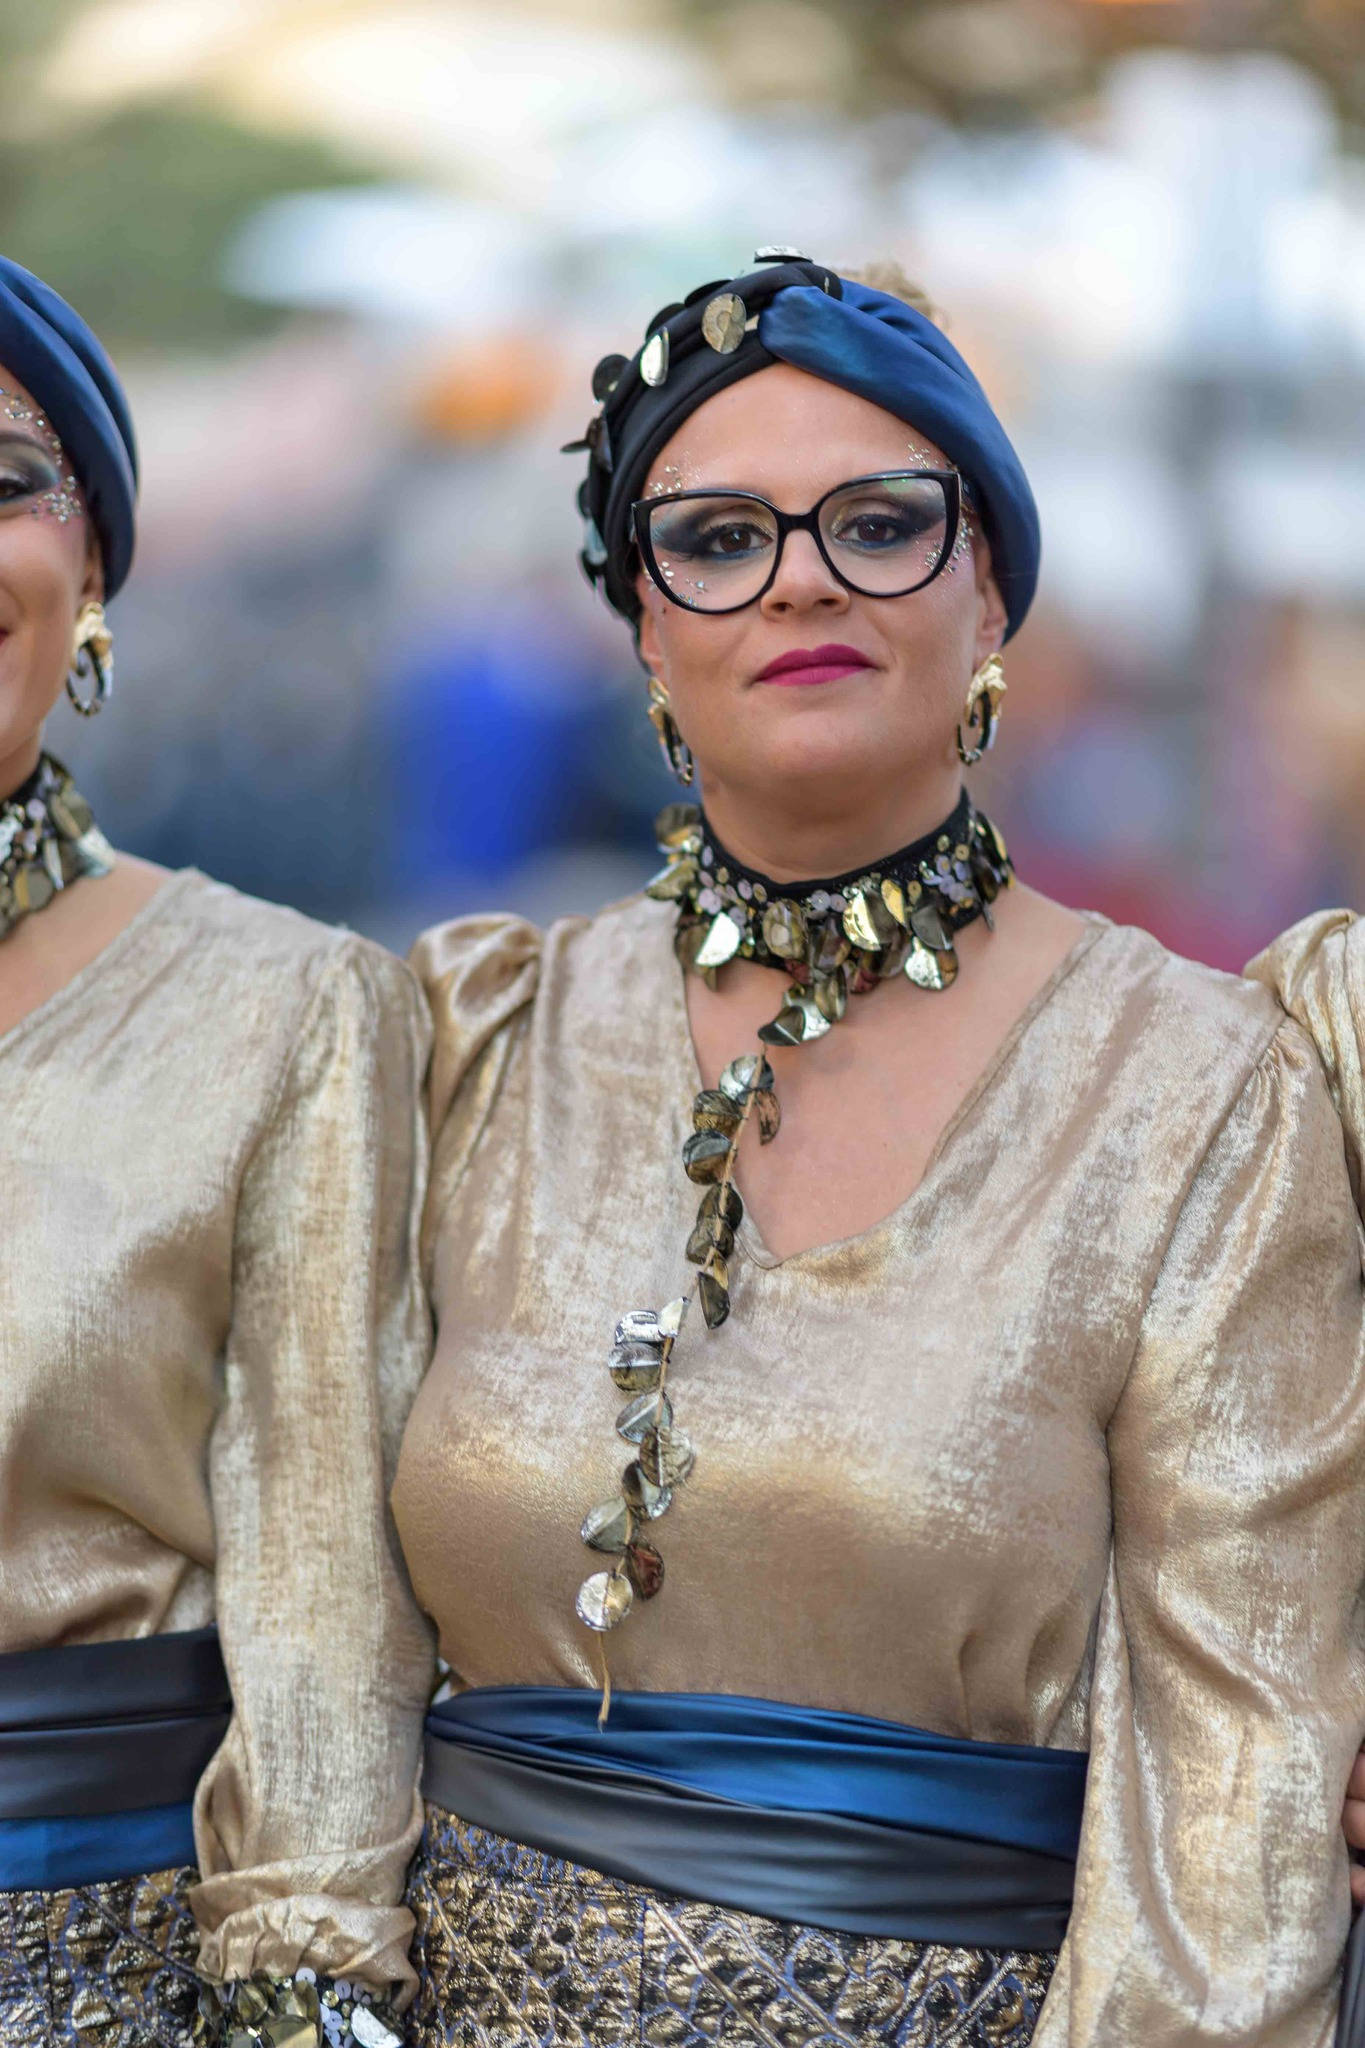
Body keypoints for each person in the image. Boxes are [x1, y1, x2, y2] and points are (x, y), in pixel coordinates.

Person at [392, 252, 1365, 2046]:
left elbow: (1235, 1790)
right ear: (641, 625)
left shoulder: (1196, 1087)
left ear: (989, 584)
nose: (801, 580)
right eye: (715, 539)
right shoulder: (471, 1038)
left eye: (880, 522)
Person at [0, 256, 434, 2048]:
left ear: (93, 563)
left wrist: (304, 1992)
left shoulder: (285, 1011)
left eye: (4, 480)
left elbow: (325, 1607)